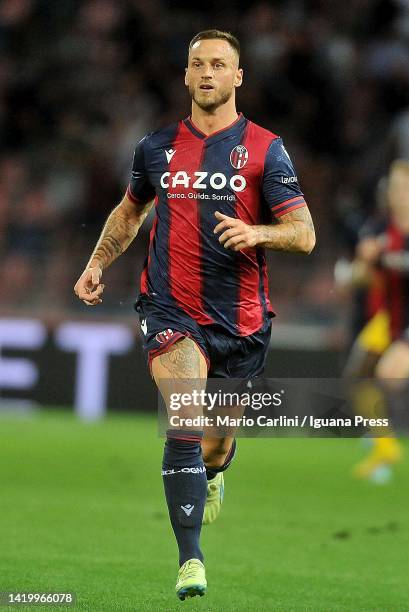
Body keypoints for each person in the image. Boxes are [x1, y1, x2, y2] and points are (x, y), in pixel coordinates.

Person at [74, 29, 315, 601]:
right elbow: (131, 212)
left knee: (213, 441)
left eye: (219, 65)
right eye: (197, 64)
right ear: (185, 76)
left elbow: (304, 235)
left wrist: (256, 231)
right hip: (169, 310)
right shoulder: (156, 147)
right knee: (183, 414)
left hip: (242, 322)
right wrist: (97, 261)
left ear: (238, 78)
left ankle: (216, 468)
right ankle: (190, 560)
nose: (207, 73)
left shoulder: (265, 149)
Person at [344, 160, 409, 481]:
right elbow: (357, 278)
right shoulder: (379, 228)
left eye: (404, 188)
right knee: (358, 374)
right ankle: (385, 446)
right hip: (391, 318)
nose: (399, 195)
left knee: (389, 373)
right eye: (395, 188)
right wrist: (365, 263)